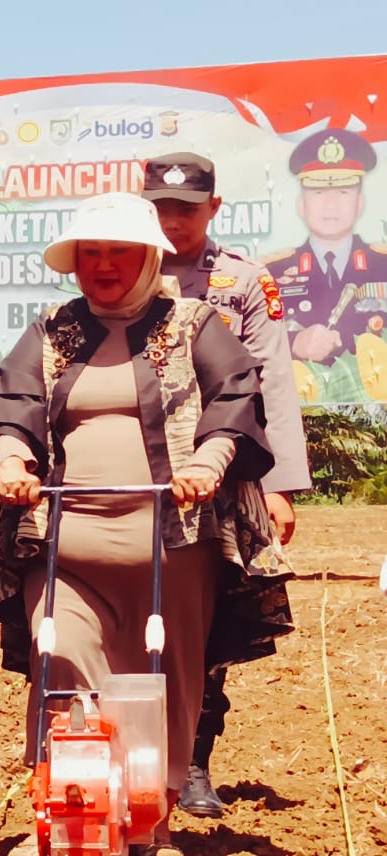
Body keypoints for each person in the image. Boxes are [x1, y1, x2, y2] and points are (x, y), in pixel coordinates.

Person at [0, 193, 294, 856]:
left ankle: (148, 819)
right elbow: (10, 402)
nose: (103, 265)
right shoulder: (51, 328)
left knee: (162, 680)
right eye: (90, 252)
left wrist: (211, 460)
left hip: (172, 542)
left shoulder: (195, 322)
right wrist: (10, 455)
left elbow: (237, 394)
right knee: (58, 659)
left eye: (118, 251)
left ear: (148, 257)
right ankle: (71, 816)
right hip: (66, 543)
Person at [144, 152, 313, 818]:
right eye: (160, 208)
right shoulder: (127, 270)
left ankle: (192, 763)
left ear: (214, 209)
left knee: (207, 623)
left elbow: (273, 383)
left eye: (186, 209)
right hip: (136, 472)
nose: (173, 221)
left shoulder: (241, 281)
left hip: (221, 478)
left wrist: (279, 487)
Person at [264, 129, 387, 365]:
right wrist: (293, 342)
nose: (331, 204)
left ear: (359, 203)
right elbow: (245, 340)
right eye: (318, 192)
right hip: (300, 399)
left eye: (343, 192)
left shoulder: (383, 264)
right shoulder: (270, 273)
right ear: (301, 205)